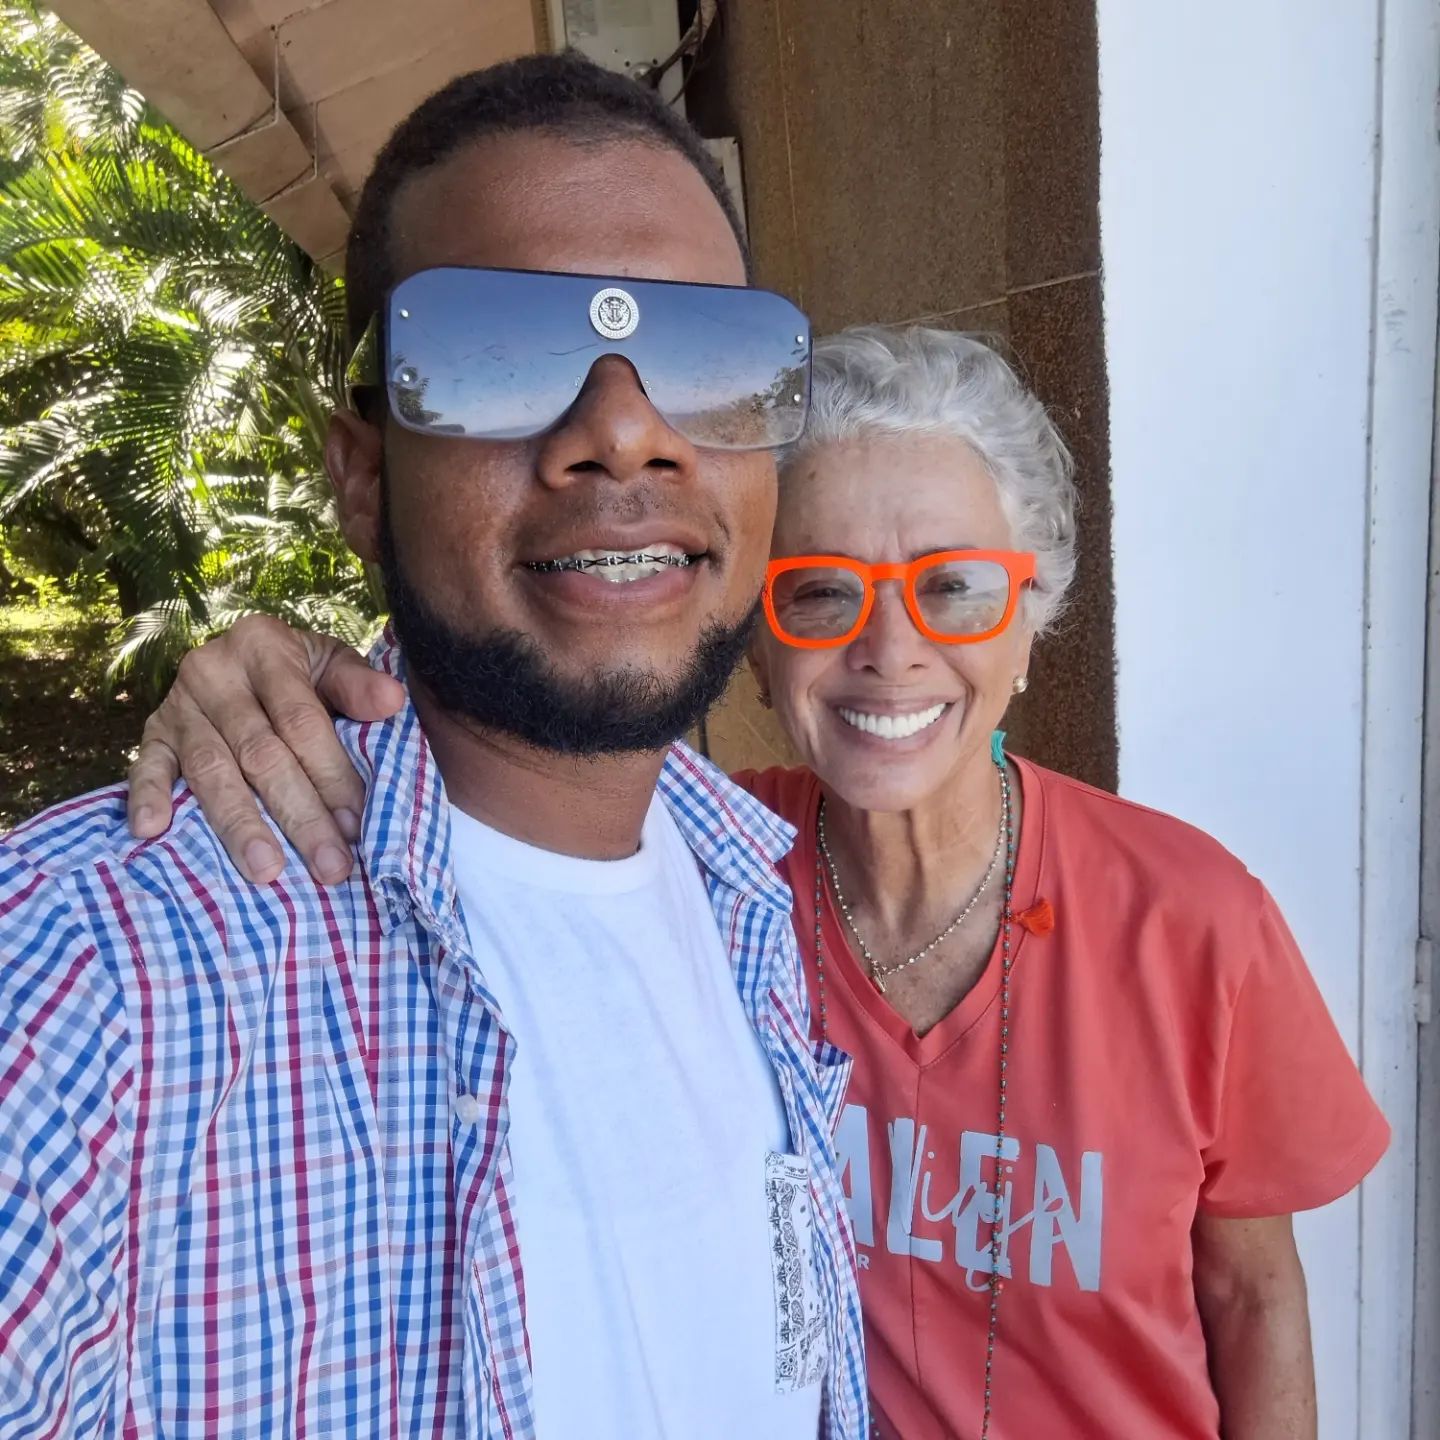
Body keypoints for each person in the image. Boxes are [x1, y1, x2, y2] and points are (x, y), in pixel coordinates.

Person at [138, 325, 1391, 1440]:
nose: (890, 651)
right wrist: (273, 679)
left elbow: (1253, 1295)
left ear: (1030, 621)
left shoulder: (1194, 920)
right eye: (822, 592)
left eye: (955, 589)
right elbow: (469, 786)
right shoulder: (690, 873)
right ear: (753, 638)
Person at [0, 54, 869, 1440]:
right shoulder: (95, 977)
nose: (624, 436)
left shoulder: (752, 897)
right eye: (497, 358)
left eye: (708, 358)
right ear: (361, 477)